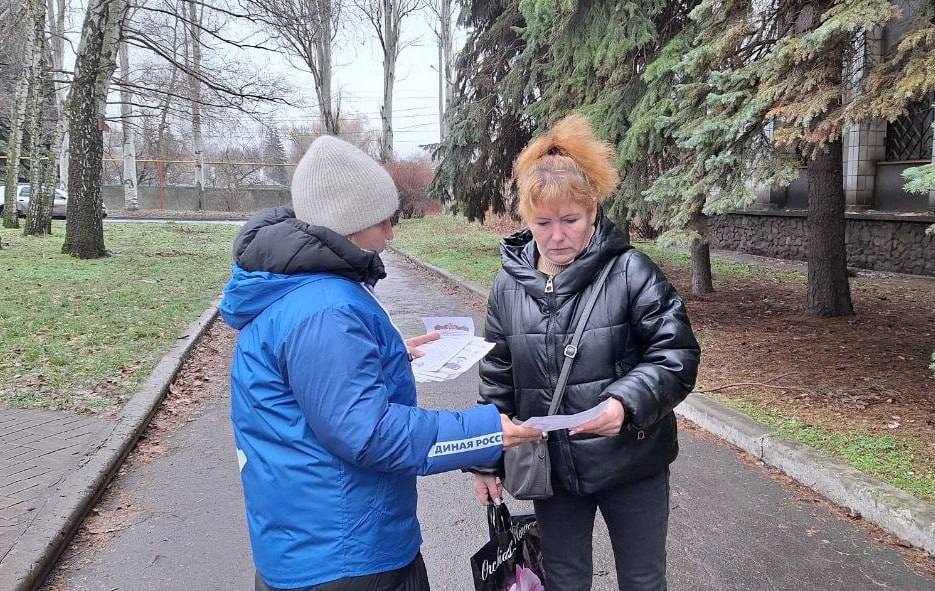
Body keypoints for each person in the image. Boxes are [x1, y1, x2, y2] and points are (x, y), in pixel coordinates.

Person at [220, 135, 542, 591]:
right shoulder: (326, 311)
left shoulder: (299, 291)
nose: (391, 233)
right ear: (348, 222)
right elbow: (368, 434)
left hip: (312, 539)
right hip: (348, 555)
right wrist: (485, 433)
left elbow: (321, 384)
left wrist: (387, 353)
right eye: (384, 220)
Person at [471, 114, 701, 591]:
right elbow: (497, 377)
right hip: (551, 470)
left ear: (593, 211)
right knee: (565, 581)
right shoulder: (508, 286)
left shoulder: (631, 271)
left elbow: (676, 355)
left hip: (631, 463)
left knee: (642, 580)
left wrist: (625, 403)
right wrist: (486, 461)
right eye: (543, 223)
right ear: (526, 221)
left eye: (571, 220)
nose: (558, 236)